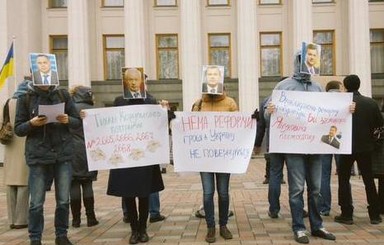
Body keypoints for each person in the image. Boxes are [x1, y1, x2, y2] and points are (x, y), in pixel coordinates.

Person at [266, 51, 336, 244]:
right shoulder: (283, 85)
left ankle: (317, 226)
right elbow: (268, 116)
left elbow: (329, 114)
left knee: (316, 189)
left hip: (315, 148)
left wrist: (346, 110)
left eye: (312, 59)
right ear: (298, 62)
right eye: (305, 60)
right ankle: (299, 228)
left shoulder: (318, 88)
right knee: (296, 189)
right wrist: (269, 111)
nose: (309, 63)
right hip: (294, 148)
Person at [14, 82, 81, 245]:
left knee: (64, 200)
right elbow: (18, 128)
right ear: (34, 74)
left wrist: (67, 120)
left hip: (62, 153)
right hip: (38, 154)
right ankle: (35, 238)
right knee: (36, 202)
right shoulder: (25, 97)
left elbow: (77, 121)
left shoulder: (63, 95)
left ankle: (61, 235)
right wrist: (32, 123)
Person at [107, 91, 165, 244]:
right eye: (130, 80)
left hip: (144, 156)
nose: (133, 83)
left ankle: (143, 228)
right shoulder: (119, 100)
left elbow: (159, 123)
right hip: (126, 155)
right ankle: (134, 229)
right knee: (128, 194)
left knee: (144, 193)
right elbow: (111, 123)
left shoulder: (150, 101)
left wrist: (165, 110)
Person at [335, 74, 383, 225]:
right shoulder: (371, 103)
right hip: (366, 147)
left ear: (345, 86)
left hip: (346, 147)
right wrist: (375, 143)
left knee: (344, 180)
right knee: (369, 181)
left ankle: (347, 213)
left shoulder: (340, 104)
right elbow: (380, 126)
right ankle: (374, 215)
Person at [191, 86, 237, 243]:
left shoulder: (230, 103)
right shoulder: (198, 104)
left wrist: (250, 121)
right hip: (205, 158)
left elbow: (238, 127)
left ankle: (223, 225)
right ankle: (211, 227)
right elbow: (190, 127)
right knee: (208, 193)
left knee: (223, 193)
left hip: (223, 157)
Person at [68, 86, 99, 228]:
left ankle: (76, 219)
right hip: (90, 149)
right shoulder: (93, 109)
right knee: (87, 183)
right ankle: (91, 217)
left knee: (73, 183)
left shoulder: (69, 107)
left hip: (72, 150)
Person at [2, 79, 30, 230]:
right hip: (24, 145)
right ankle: (21, 219)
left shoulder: (7, 103)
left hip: (10, 146)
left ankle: (12, 219)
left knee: (11, 185)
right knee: (24, 184)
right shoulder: (26, 102)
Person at [318, 80, 343, 217]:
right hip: (341, 139)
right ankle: (345, 205)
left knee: (324, 175)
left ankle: (324, 207)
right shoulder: (345, 100)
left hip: (324, 140)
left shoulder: (321, 100)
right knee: (343, 175)